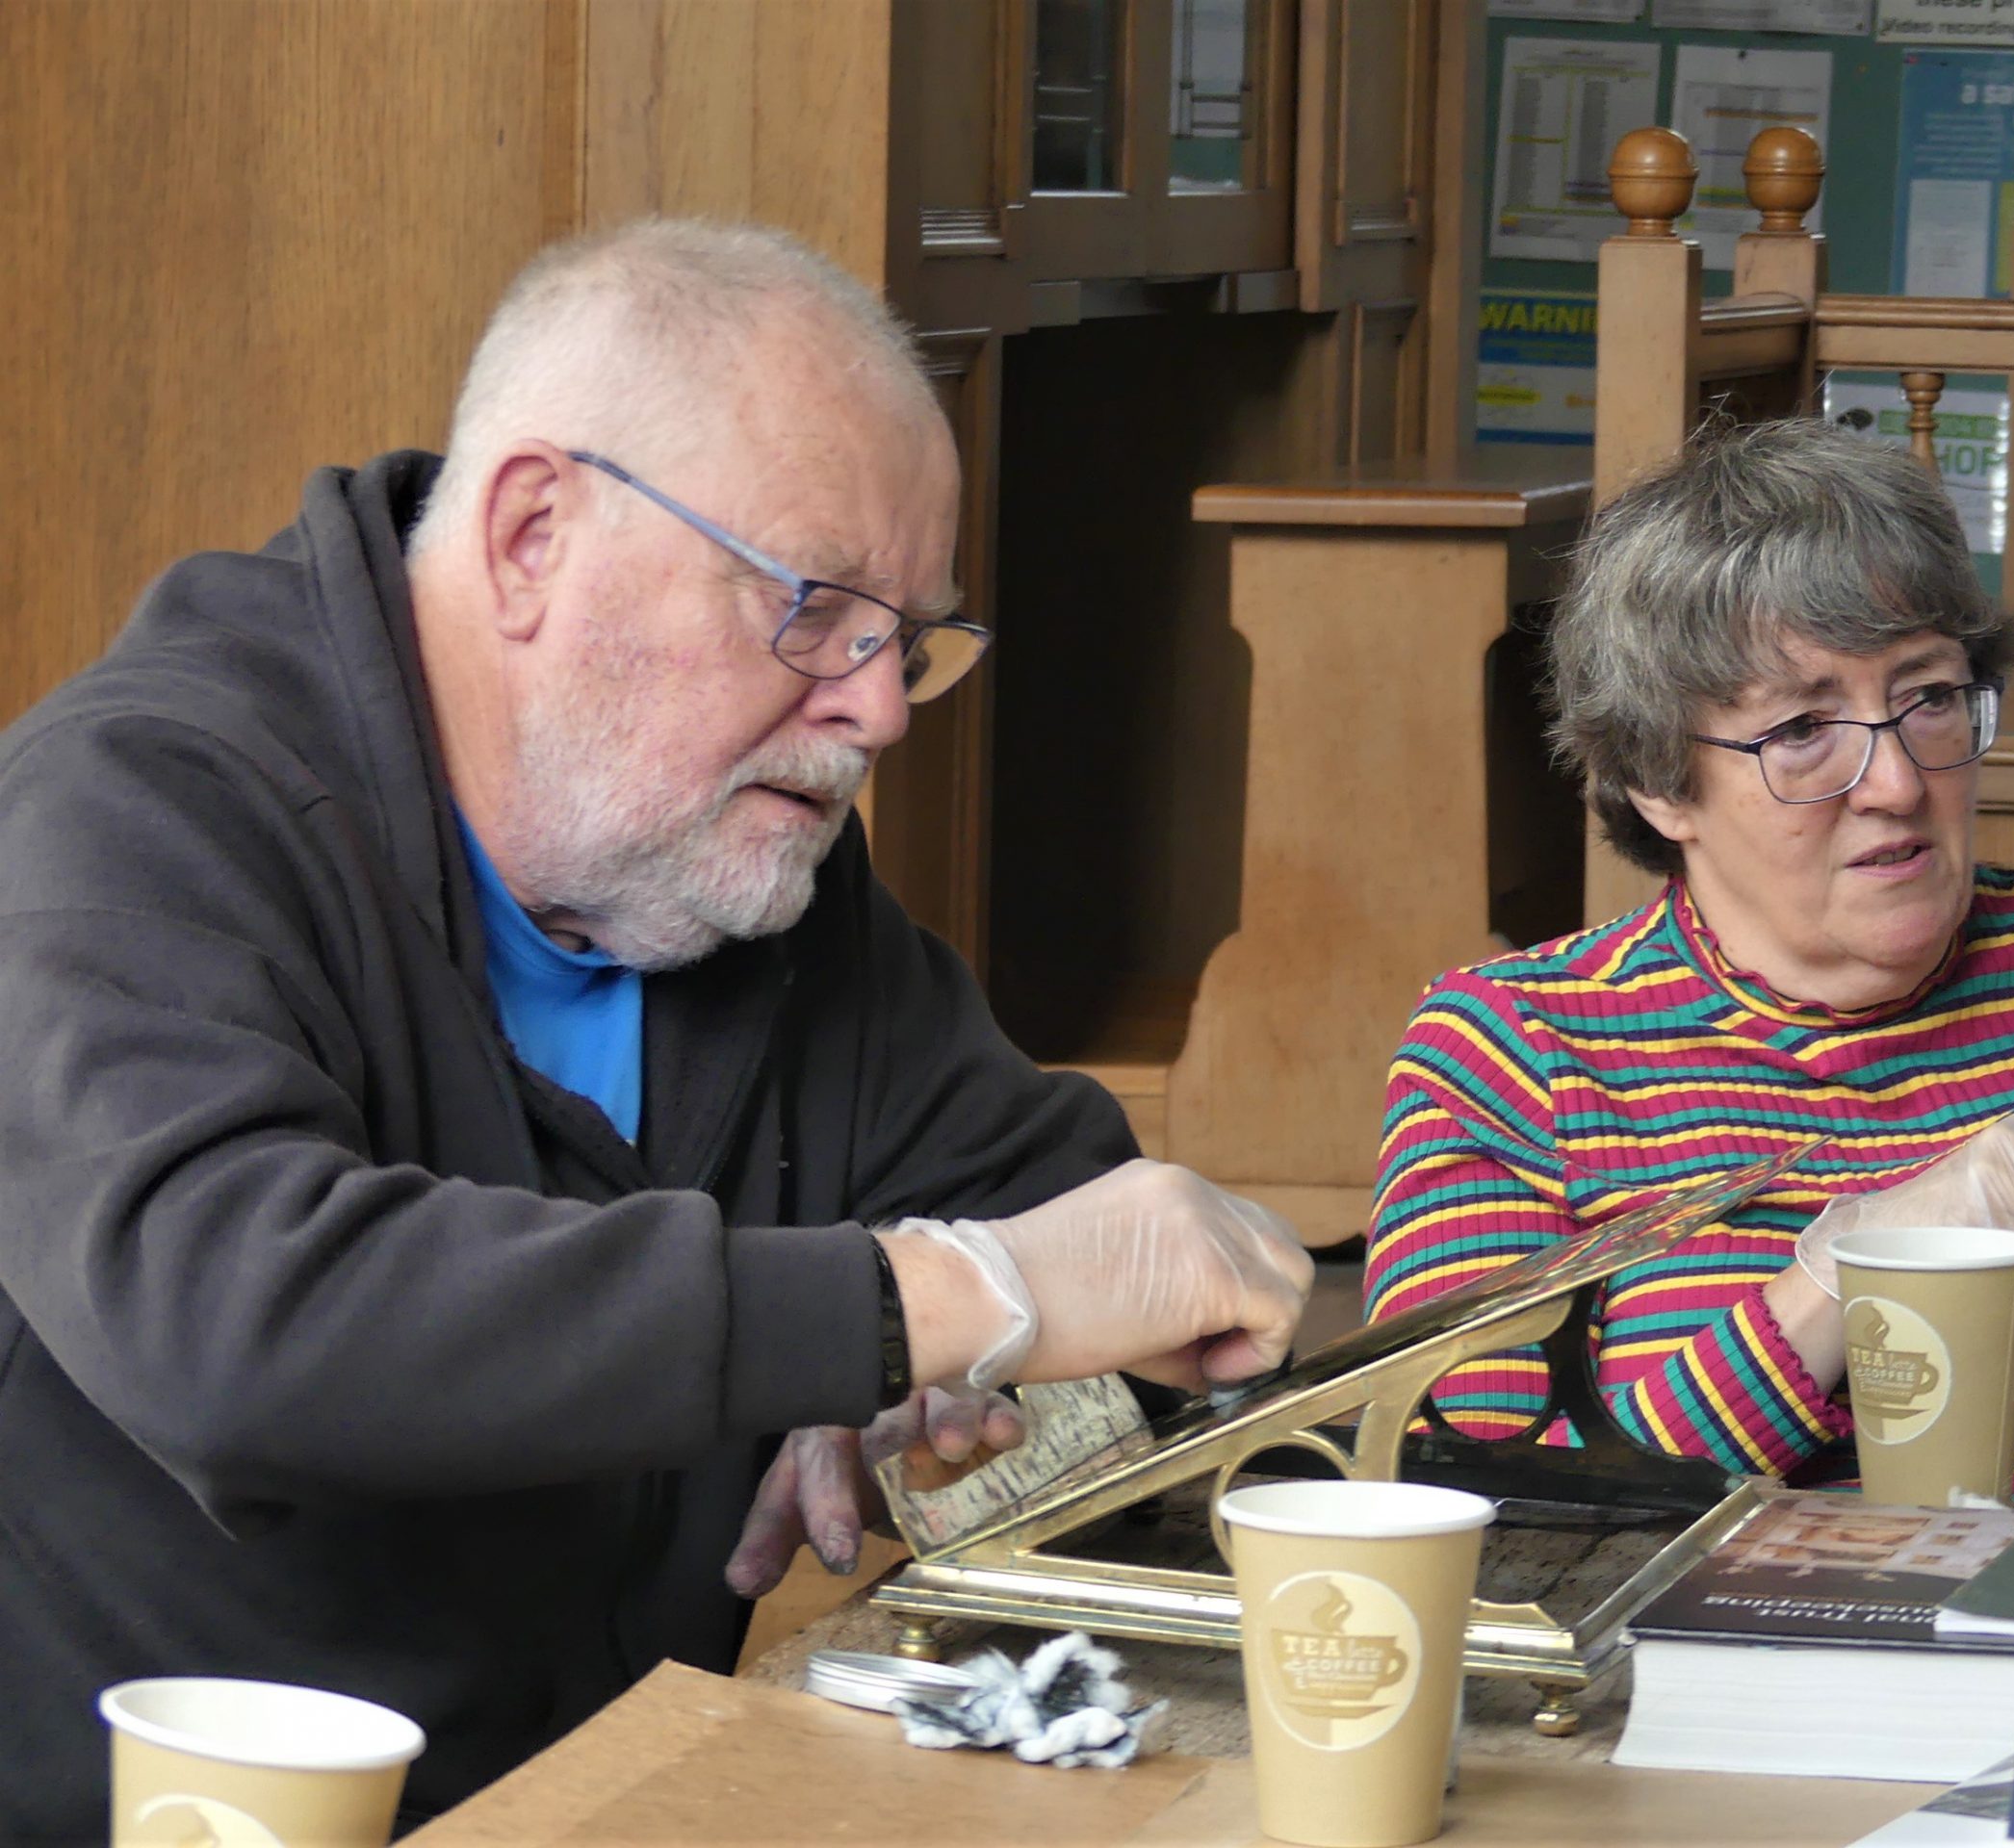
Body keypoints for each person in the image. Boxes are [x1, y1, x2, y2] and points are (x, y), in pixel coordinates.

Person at [0, 219, 1312, 1837]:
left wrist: (980, 1403)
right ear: (536, 533)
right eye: (819, 607)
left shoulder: (745, 872)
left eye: (906, 639)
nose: (880, 707)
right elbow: (234, 1321)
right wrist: (924, 1301)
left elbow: (1083, 1243)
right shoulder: (132, 809)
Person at [1366, 418, 2014, 1505]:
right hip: (1739, 1667)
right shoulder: (1516, 1053)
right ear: (1657, 782)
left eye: (1926, 697)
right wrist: (1857, 1263)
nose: (1892, 781)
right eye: (1799, 731)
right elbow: (1484, 1528)